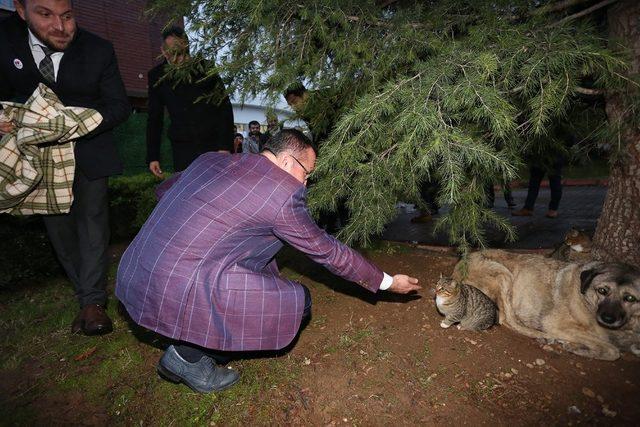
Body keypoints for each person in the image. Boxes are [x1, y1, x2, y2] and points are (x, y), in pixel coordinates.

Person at [116, 129, 420, 393]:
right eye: (307, 173)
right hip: (181, 285)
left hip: (138, 268)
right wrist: (387, 282)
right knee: (300, 303)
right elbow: (329, 252)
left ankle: (186, 337)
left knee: (257, 263)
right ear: (287, 161)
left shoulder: (211, 159)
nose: (304, 184)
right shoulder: (282, 192)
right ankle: (188, 358)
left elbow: (165, 190)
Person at [0, 0, 131, 335]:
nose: (61, 27)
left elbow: (118, 106)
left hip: (89, 151)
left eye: (68, 16)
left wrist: (70, 125)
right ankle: (84, 292)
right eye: (45, 15)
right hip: (37, 159)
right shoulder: (3, 40)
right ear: (20, 10)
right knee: (59, 229)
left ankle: (93, 303)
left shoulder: (99, 49)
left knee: (93, 222)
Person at [146, 26, 234, 178]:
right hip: (182, 149)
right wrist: (153, 156)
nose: (175, 60)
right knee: (188, 195)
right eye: (170, 54)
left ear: (186, 46)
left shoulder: (205, 68)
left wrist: (225, 146)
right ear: (163, 50)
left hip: (213, 146)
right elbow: (155, 118)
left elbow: (224, 108)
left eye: (179, 54)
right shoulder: (157, 76)